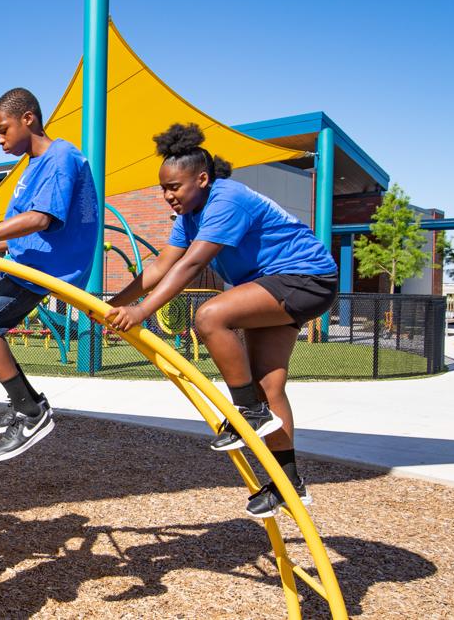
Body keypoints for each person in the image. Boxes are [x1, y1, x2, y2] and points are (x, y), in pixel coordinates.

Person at [101, 122, 338, 518]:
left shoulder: (227, 200)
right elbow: (162, 264)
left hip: (305, 277)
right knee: (269, 383)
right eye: (163, 188)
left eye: (173, 187)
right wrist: (111, 303)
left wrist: (141, 311)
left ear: (203, 178)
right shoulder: (192, 215)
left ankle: (247, 409)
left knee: (210, 316)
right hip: (273, 284)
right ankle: (288, 481)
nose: (167, 196)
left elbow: (192, 264)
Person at [0, 87, 99, 462]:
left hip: (47, 268)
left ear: (29, 118)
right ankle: (22, 401)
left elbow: (40, 220)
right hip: (31, 262)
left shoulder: (61, 157)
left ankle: (30, 410)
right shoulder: (32, 167)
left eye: (3, 128)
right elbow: (18, 234)